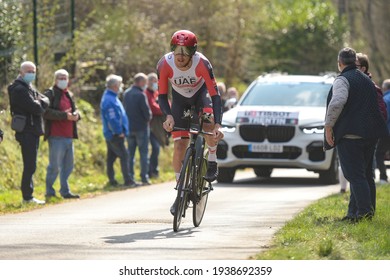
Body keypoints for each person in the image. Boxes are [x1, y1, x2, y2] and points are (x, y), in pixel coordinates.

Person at [157, 30, 223, 214]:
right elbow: (162, 96)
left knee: (208, 123)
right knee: (179, 146)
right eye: (176, 51)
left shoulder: (202, 63)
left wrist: (218, 125)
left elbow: (216, 96)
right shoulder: (164, 64)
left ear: (192, 52)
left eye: (185, 52)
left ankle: (211, 159)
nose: (180, 56)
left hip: (201, 96)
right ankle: (180, 193)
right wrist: (168, 116)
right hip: (179, 100)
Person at [325, 47, 388, 222]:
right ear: (355, 62)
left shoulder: (343, 80)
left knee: (355, 176)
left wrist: (328, 126)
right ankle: (354, 213)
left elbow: (337, 102)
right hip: (370, 135)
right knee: (365, 174)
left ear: (340, 63)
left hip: (350, 136)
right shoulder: (367, 80)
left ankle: (363, 214)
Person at [8, 61, 49, 204]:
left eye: (33, 71)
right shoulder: (19, 89)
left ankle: (28, 195)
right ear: (21, 72)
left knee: (31, 164)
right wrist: (41, 103)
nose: (32, 73)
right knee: (30, 164)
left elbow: (45, 99)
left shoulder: (29, 87)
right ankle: (27, 196)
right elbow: (36, 108)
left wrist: (41, 102)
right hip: (26, 131)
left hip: (32, 130)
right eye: (28, 71)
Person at [43, 69, 80, 199]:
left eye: (65, 78)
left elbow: (75, 110)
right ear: (55, 79)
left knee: (68, 165)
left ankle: (65, 191)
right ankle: (50, 192)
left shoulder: (69, 94)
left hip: (69, 135)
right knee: (54, 166)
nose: (63, 80)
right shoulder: (49, 94)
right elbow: (46, 112)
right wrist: (65, 116)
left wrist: (76, 115)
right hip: (56, 135)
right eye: (60, 78)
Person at [100, 74, 136, 187]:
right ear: (115, 86)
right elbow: (112, 119)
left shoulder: (111, 97)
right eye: (120, 85)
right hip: (115, 134)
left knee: (111, 158)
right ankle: (128, 180)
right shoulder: (109, 99)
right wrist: (118, 131)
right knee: (124, 156)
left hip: (112, 134)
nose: (121, 87)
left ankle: (112, 180)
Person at [123, 73, 152, 185]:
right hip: (142, 128)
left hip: (129, 128)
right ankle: (144, 177)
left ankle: (131, 177)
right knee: (143, 154)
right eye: (145, 83)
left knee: (131, 154)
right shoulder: (141, 94)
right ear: (140, 82)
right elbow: (147, 113)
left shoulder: (126, 93)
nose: (145, 85)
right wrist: (148, 118)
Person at [145, 72, 164, 178]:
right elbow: (154, 108)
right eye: (153, 81)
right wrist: (164, 110)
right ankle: (151, 171)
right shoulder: (146, 93)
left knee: (156, 148)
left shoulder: (156, 93)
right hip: (150, 126)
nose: (155, 83)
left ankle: (154, 170)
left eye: (156, 81)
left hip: (156, 127)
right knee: (154, 148)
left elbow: (167, 103)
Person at [375, 79, 390, 184]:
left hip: (387, 132)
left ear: (385, 88)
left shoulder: (385, 99)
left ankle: (383, 178)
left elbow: (385, 117)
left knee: (379, 154)